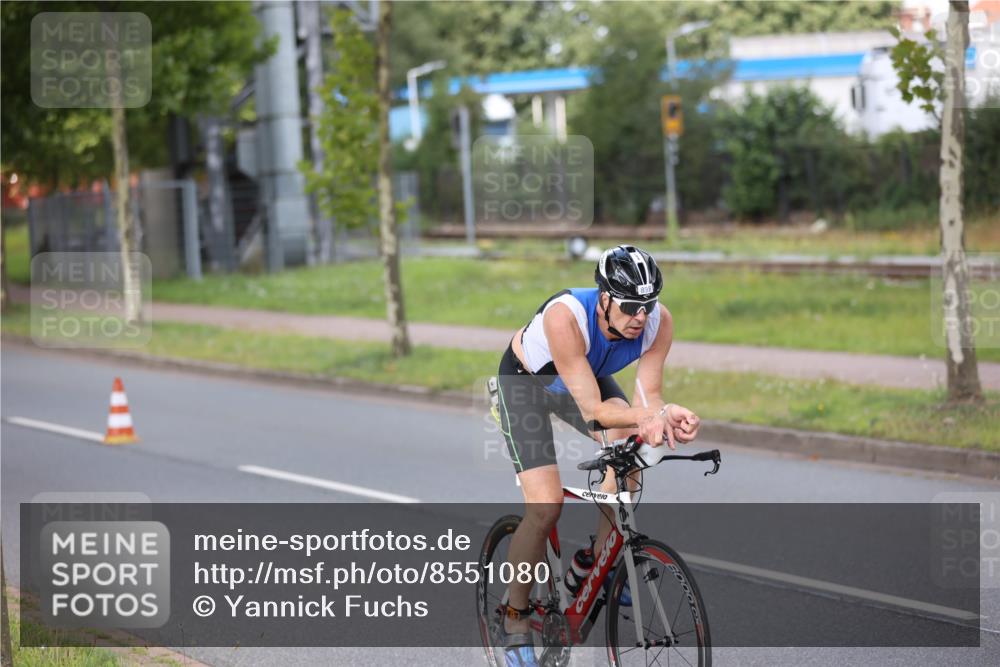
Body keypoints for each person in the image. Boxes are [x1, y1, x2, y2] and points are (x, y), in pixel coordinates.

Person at [491, 244, 701, 667]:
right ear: (604, 298)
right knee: (545, 507)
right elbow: (594, 411)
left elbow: (648, 399)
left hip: (583, 377)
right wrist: (654, 416)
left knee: (633, 445)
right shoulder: (565, 317)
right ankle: (514, 616)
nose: (640, 316)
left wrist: (662, 417)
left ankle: (596, 561)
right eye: (630, 306)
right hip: (526, 387)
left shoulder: (658, 323)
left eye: (647, 305)